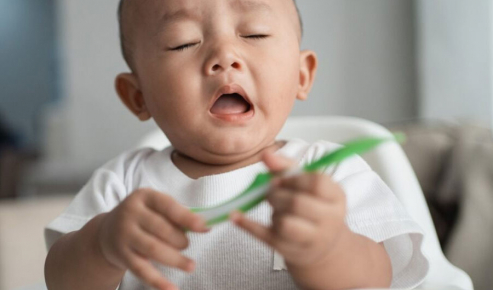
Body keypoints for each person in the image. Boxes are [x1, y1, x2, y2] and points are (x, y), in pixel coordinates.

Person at [44, 0, 429, 289]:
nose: (225, 56)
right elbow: (61, 281)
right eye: (183, 42)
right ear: (137, 96)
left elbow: (378, 278)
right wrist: (103, 243)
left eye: (254, 34)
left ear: (301, 74)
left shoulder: (326, 174)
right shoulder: (124, 182)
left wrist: (327, 248)